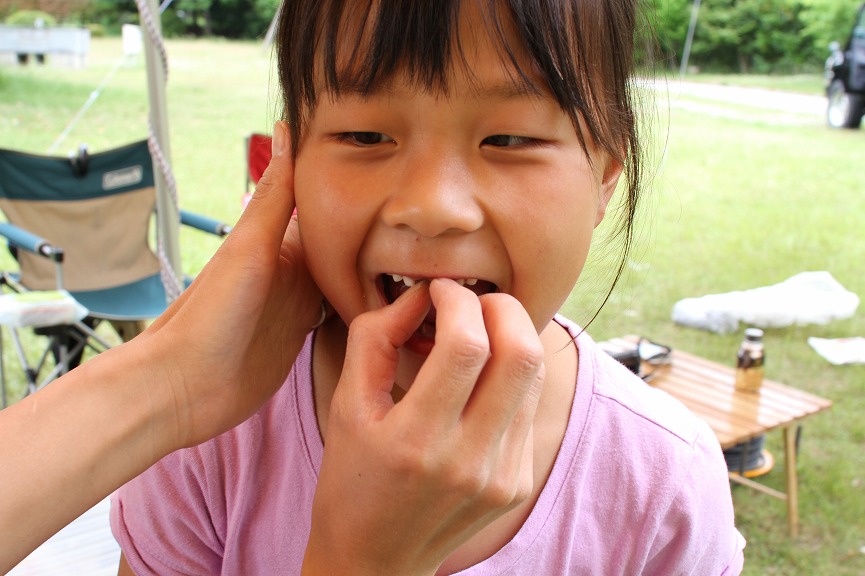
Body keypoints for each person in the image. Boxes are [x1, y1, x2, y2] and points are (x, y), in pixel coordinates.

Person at [111, 1, 747, 575]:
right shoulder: (210, 434)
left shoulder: (664, 482)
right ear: (289, 161)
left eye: (510, 138)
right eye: (364, 135)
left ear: (604, 179)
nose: (434, 207)